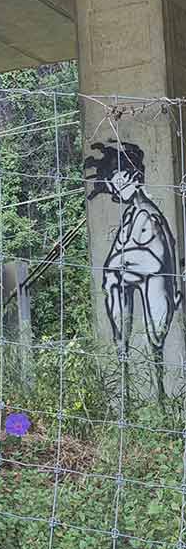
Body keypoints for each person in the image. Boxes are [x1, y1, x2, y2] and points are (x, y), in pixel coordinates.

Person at [85, 141, 180, 399]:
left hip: (158, 285)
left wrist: (121, 263)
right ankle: (130, 386)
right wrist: (118, 266)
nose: (115, 187)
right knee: (113, 279)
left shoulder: (147, 214)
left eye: (119, 179)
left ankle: (159, 399)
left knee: (155, 343)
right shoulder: (131, 216)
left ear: (133, 175)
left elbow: (155, 261)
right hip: (144, 284)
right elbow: (115, 261)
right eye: (112, 182)